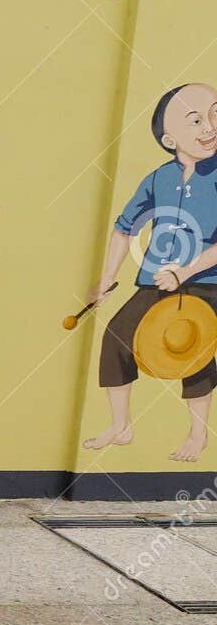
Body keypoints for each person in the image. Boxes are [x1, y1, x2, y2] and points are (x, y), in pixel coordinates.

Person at [83, 81, 217, 461]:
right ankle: (120, 425)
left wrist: (185, 272)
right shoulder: (159, 178)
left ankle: (197, 434)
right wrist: (107, 277)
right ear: (169, 139)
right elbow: (125, 227)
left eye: (214, 114)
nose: (209, 127)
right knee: (117, 338)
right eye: (195, 121)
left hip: (207, 282)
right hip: (156, 279)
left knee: (193, 346)